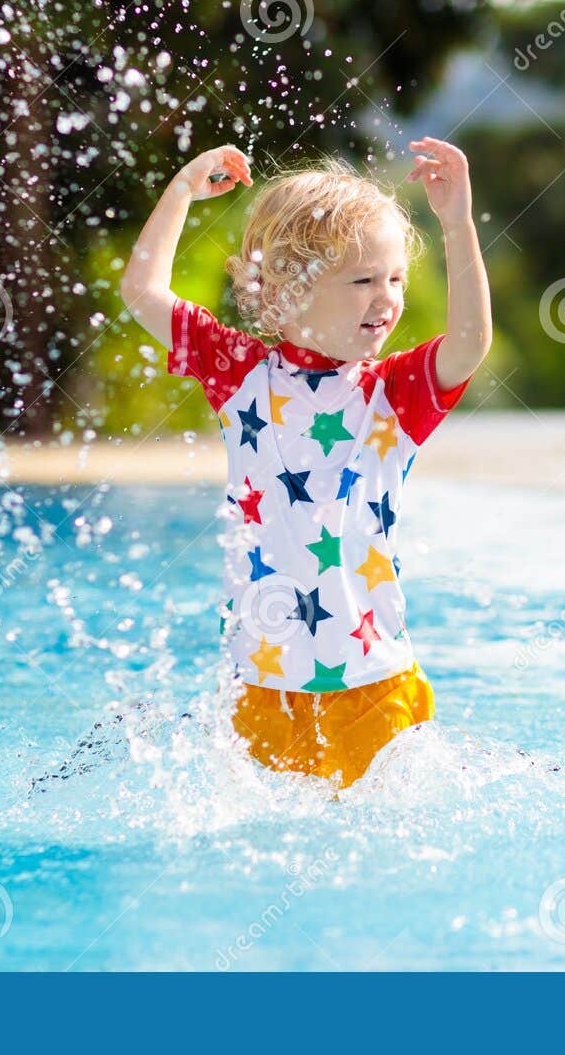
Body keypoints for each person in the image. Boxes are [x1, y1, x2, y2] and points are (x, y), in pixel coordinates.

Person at [118, 138, 492, 788]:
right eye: (363, 280)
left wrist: (456, 223)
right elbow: (142, 292)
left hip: (375, 685)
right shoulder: (238, 374)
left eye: (395, 278)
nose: (387, 298)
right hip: (263, 688)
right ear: (288, 290)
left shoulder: (393, 395)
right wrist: (179, 192)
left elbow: (469, 343)